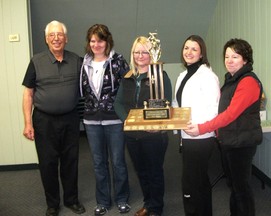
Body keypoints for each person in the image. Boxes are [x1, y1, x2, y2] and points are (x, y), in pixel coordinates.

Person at [187, 38, 263, 216]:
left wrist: (202, 128)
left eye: (235, 56)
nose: (229, 60)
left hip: (241, 144)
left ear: (245, 60)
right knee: (235, 187)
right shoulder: (232, 79)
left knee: (241, 189)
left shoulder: (248, 81)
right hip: (230, 141)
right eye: (227, 56)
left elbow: (230, 114)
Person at [22, 20, 85, 216]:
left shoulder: (77, 61)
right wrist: (27, 123)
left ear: (66, 39)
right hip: (44, 121)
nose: (56, 38)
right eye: (52, 35)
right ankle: (52, 204)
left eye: (60, 35)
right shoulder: (36, 61)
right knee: (48, 163)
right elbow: (28, 94)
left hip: (70, 119)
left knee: (70, 161)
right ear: (46, 39)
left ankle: (71, 200)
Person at [114, 36, 172, 216]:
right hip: (133, 135)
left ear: (151, 54)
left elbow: (167, 104)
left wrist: (158, 126)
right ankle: (148, 204)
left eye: (145, 52)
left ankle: (156, 208)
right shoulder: (128, 76)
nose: (140, 55)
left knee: (154, 173)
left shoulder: (160, 76)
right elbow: (118, 103)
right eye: (137, 52)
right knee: (142, 172)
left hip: (154, 135)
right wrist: (128, 121)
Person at [80, 24, 130, 216]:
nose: (96, 44)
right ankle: (102, 201)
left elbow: (127, 89)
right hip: (91, 120)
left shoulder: (118, 61)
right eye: (92, 40)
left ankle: (122, 199)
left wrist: (126, 116)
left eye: (100, 40)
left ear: (107, 41)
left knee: (117, 162)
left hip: (114, 120)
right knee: (98, 162)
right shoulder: (84, 63)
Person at [172, 35, 220, 216]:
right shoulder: (182, 75)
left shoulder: (208, 76)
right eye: (186, 48)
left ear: (201, 54)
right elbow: (178, 104)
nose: (189, 52)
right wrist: (174, 123)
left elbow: (215, 108)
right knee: (200, 181)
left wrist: (199, 127)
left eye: (194, 49)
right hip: (187, 136)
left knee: (190, 183)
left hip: (201, 137)